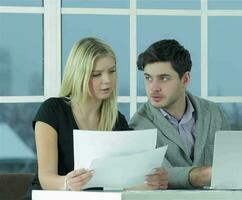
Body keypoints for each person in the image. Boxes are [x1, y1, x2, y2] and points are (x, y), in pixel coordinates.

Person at [24, 37, 167, 199]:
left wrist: (152, 182)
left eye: (112, 71)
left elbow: (126, 182)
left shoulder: (117, 121)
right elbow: (46, 178)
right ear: (79, 75)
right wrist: (67, 183)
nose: (107, 80)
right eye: (96, 74)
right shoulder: (52, 110)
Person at [129, 39, 230, 189]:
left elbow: (230, 166)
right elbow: (158, 175)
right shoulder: (138, 126)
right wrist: (199, 175)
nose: (153, 88)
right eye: (148, 78)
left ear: (185, 79)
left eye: (163, 78)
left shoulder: (214, 113)